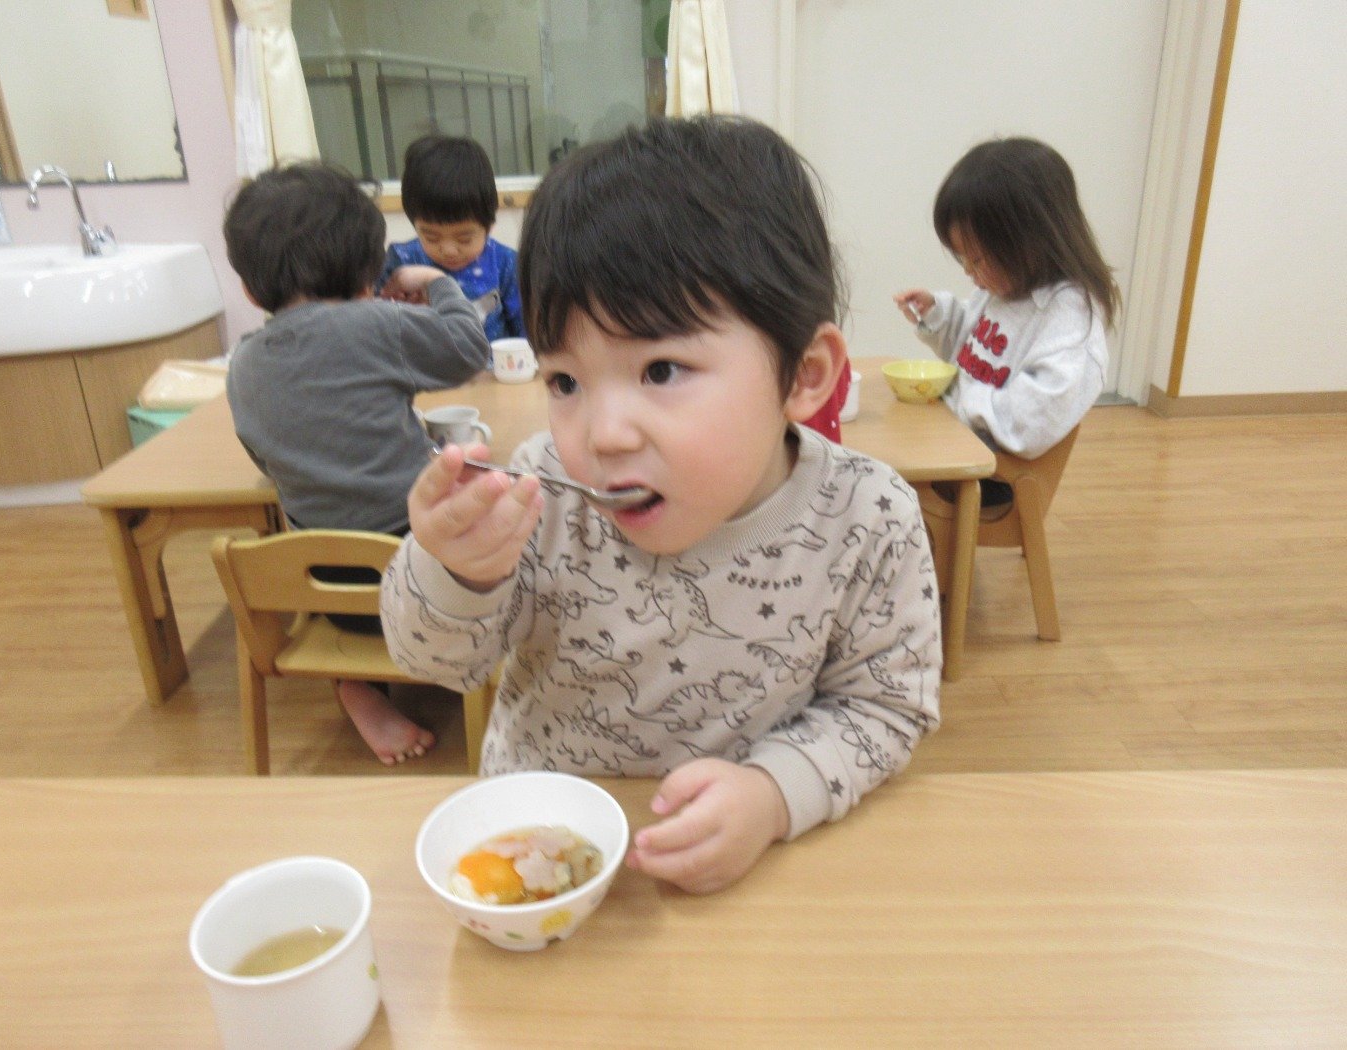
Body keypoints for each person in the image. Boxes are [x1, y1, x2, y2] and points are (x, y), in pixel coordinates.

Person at [380, 116, 941, 895]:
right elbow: (433, 663)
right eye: (566, 381)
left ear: (804, 375)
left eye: (662, 370)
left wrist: (774, 794)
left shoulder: (868, 519)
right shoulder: (541, 492)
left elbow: (885, 709)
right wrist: (457, 572)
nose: (603, 434)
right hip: (537, 859)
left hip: (752, 874)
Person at [223, 161, 490, 766]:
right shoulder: (376, 323)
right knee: (496, 503)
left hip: (327, 590)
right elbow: (470, 348)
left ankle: (355, 684)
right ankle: (473, 663)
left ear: (250, 289)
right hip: (419, 574)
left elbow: (261, 455)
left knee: (307, 516)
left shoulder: (243, 364)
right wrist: (438, 284)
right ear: (369, 272)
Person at [895, 137, 1119, 505]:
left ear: (1030, 243)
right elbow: (972, 348)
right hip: (962, 442)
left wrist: (955, 396)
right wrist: (937, 314)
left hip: (995, 475)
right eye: (962, 259)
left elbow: (1031, 422)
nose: (968, 271)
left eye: (977, 260)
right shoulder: (1005, 289)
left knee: (883, 477)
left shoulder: (1068, 321)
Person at [376, 135, 524, 358]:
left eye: (464, 239)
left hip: (491, 373)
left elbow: (527, 331)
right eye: (431, 237)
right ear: (414, 224)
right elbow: (376, 324)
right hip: (423, 374)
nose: (449, 250)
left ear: (489, 224)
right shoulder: (402, 259)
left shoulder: (506, 263)